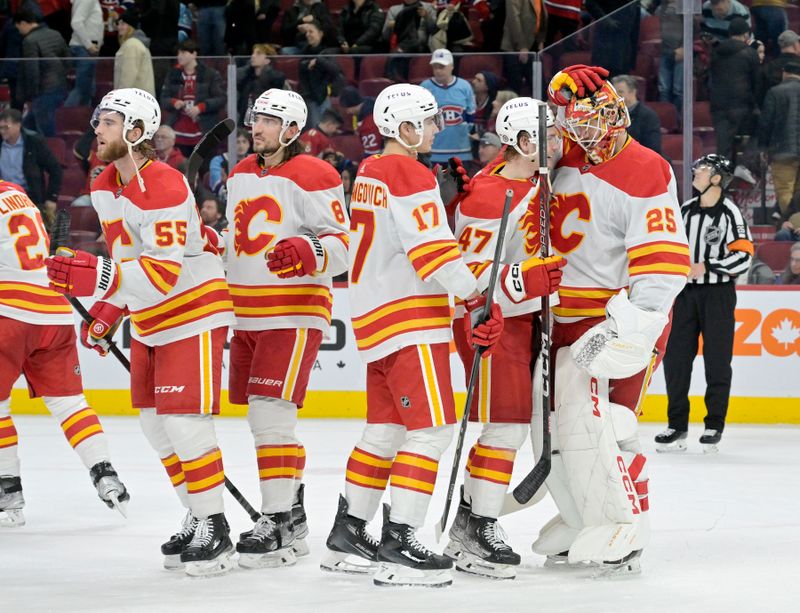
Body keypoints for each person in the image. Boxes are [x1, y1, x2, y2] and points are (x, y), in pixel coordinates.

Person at [45, 87, 237, 577]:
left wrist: (100, 278)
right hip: (151, 314)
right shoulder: (106, 183)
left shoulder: (169, 187)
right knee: (155, 427)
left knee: (184, 422)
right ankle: (196, 513)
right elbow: (132, 263)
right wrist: (110, 307)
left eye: (108, 121)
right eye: (97, 120)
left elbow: (163, 274)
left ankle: (215, 525)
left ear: (135, 131)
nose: (97, 129)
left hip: (192, 306)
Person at [320, 83, 504, 587]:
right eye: (425, 122)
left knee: (385, 431)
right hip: (410, 318)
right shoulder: (408, 171)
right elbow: (432, 253)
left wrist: (438, 203)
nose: (434, 129)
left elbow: (401, 236)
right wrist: (475, 298)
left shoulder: (372, 170)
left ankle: (349, 528)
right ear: (403, 127)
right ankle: (400, 539)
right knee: (431, 430)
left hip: (374, 317)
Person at [530, 65, 691, 575]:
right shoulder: (565, 158)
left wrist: (637, 328)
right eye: (570, 120)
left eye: (581, 118)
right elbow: (518, 158)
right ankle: (582, 517)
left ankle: (628, 527)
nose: (576, 131)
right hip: (560, 319)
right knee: (556, 429)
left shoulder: (646, 169)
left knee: (610, 426)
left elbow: (664, 264)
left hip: (611, 320)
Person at [224, 89, 349, 568]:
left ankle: (276, 519)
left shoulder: (316, 173)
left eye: (269, 121)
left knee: (269, 416)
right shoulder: (240, 173)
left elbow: (342, 244)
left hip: (293, 310)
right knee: (264, 418)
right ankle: (291, 513)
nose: (257, 127)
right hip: (246, 313)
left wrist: (310, 250)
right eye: (256, 118)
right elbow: (241, 241)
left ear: (293, 129)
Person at [444, 98, 565, 580]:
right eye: (547, 136)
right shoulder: (489, 194)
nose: (557, 144)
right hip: (488, 321)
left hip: (522, 321)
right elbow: (466, 273)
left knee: (507, 428)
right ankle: (480, 525)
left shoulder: (536, 182)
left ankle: (470, 520)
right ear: (522, 142)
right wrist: (523, 281)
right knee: (505, 429)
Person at [0, 179, 129, 528]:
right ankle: (105, 473)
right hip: (54, 309)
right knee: (70, 403)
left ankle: (7, 490)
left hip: (8, 310)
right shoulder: (15, 192)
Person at [657, 154, 753, 454]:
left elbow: (744, 255)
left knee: (717, 361)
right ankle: (677, 426)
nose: (695, 171)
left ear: (716, 178)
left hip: (718, 296)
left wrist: (708, 265)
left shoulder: (730, 213)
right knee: (675, 360)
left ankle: (714, 425)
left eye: (703, 169)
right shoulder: (685, 211)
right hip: (684, 296)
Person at [160, 40, 227, 157]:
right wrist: (174, 102)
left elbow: (221, 98)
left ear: (194, 54)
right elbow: (163, 98)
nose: (179, 56)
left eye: (183, 53)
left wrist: (201, 107)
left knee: (203, 168)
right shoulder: (173, 74)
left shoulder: (210, 74)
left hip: (203, 131)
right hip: (179, 131)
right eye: (178, 53)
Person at [0, 109, 62, 228]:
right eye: (0, 128)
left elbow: (55, 170)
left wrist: (51, 198)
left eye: (6, 127)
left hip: (29, 197)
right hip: (3, 196)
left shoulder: (34, 142)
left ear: (18, 125)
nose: (2, 131)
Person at [709, 17, 761, 160]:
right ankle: (743, 167)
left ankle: (721, 180)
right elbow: (756, 83)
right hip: (742, 106)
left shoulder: (716, 52)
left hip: (719, 106)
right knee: (757, 134)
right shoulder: (750, 53)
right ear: (746, 35)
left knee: (723, 149)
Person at [14, 8, 70, 137]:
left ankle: (52, 154)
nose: (20, 32)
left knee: (45, 131)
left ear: (23, 23)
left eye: (18, 28)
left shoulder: (29, 41)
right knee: (28, 126)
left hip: (42, 91)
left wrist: (30, 94)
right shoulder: (55, 34)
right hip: (59, 86)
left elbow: (31, 70)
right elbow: (68, 60)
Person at [758, 61, 800, 221]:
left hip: (782, 150)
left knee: (784, 192)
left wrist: (763, 147)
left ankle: (792, 225)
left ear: (785, 73)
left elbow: (766, 122)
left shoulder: (775, 92)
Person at [421, 48, 476, 163]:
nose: (438, 71)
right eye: (435, 67)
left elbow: (471, 116)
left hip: (462, 151)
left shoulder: (464, 86)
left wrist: (466, 132)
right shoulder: (424, 87)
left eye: (441, 67)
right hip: (433, 152)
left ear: (451, 66)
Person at [64, 0, 104, 107]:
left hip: (85, 48)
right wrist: (89, 45)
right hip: (84, 48)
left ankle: (81, 118)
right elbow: (76, 22)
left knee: (88, 88)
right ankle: (67, 117)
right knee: (83, 88)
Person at [611, 74, 662, 155]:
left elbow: (652, 148)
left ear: (633, 92)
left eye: (620, 92)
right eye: (614, 92)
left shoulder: (648, 116)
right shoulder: (610, 114)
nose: (616, 96)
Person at [113, 10, 155, 97]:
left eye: (123, 24)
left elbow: (127, 77)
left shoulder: (132, 45)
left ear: (131, 27)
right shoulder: (136, 43)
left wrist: (118, 98)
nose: (119, 27)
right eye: (119, 24)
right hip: (139, 98)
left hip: (133, 99)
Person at [339, 86, 381, 158]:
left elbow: (373, 154)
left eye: (347, 109)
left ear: (352, 104)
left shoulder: (368, 123)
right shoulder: (369, 105)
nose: (347, 112)